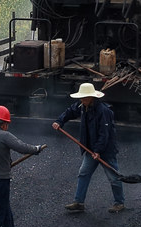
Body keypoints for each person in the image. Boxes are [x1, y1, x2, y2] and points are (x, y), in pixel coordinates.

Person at [52, 83, 125, 214]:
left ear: (92, 97)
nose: (82, 100)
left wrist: (98, 151)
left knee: (114, 177)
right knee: (83, 173)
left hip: (106, 150)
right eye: (81, 97)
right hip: (91, 149)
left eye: (84, 98)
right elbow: (70, 111)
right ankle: (79, 202)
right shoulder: (82, 106)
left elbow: (104, 134)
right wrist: (59, 121)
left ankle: (119, 203)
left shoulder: (103, 111)